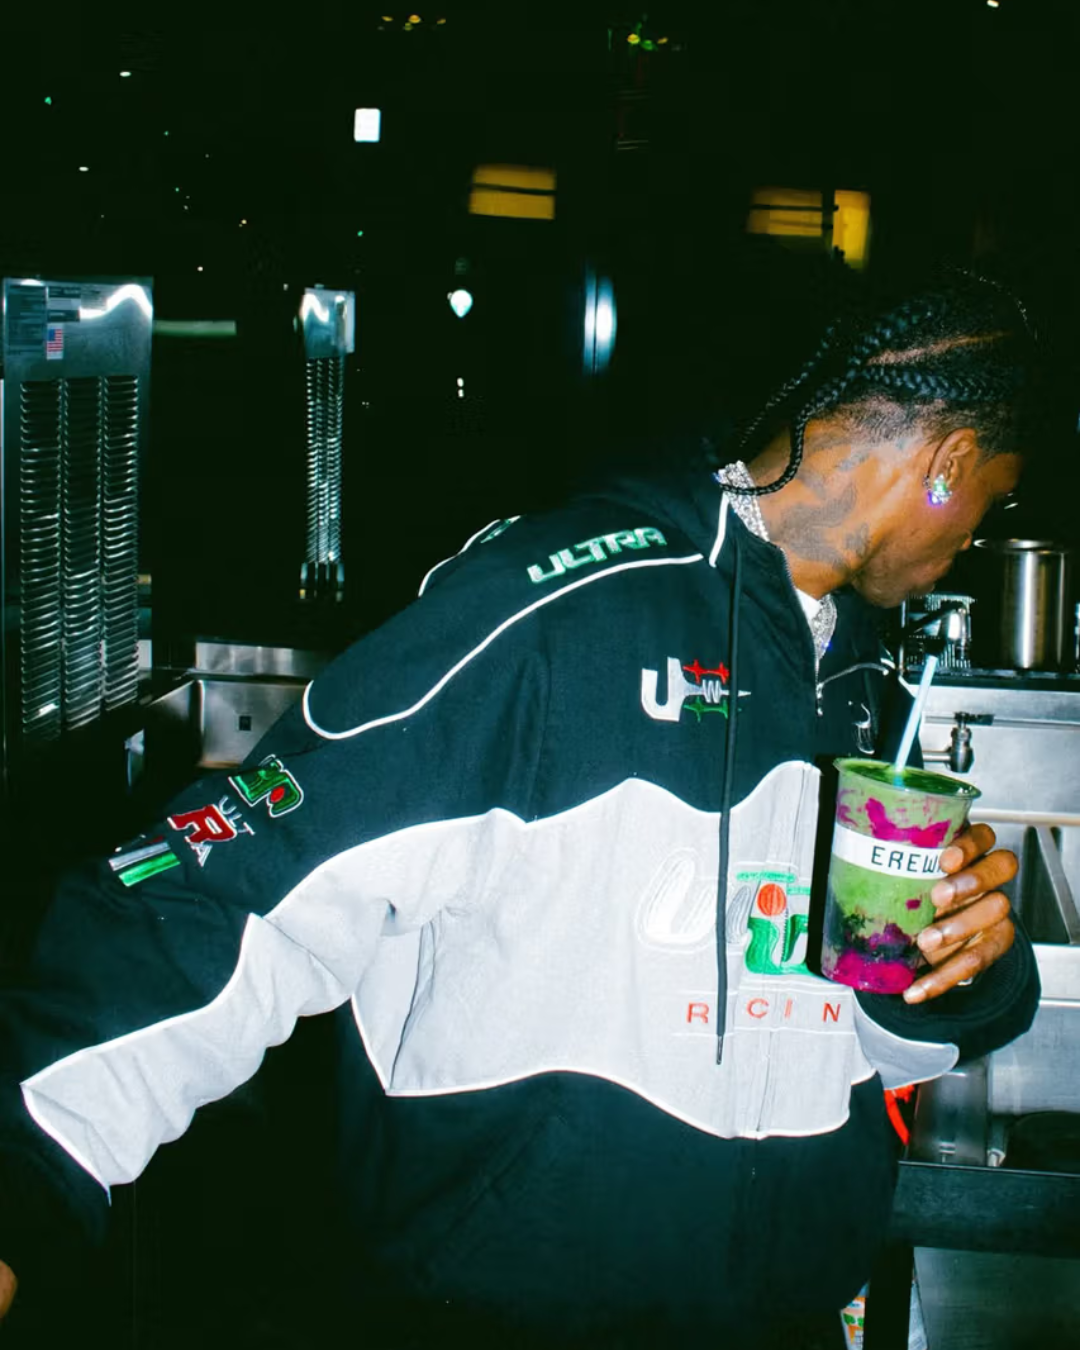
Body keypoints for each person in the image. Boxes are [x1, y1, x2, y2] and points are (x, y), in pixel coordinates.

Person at [0, 266, 1042, 1346]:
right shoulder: (552, 614)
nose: (972, 533)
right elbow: (219, 893)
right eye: (991, 497)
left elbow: (858, 1036)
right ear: (947, 465)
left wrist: (958, 966)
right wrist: (23, 1179)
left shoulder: (863, 680)